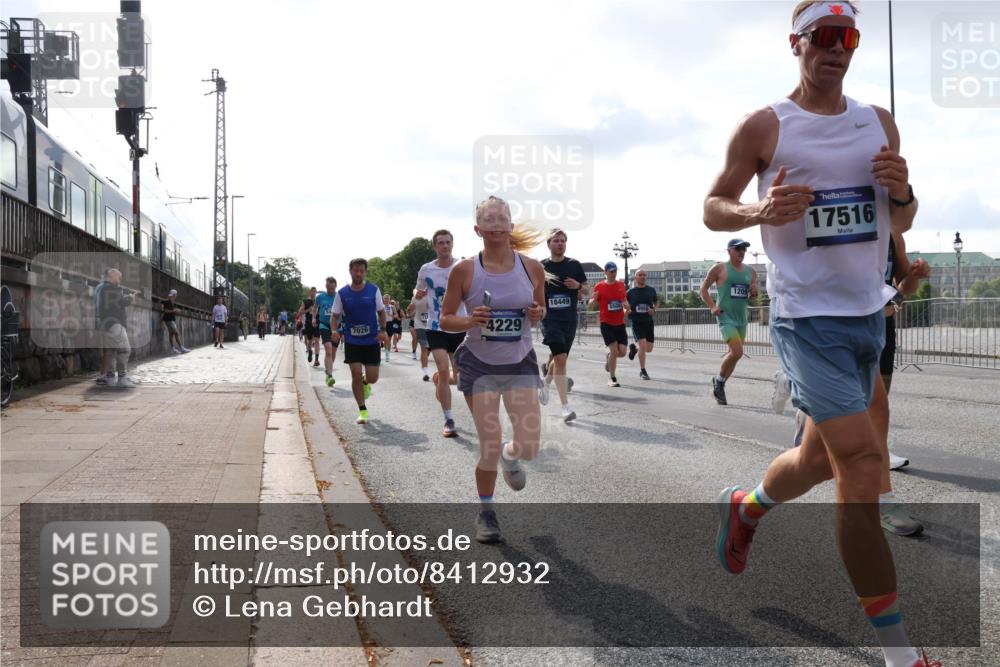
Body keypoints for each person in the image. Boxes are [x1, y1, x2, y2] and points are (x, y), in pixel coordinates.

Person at [704, 3, 935, 666]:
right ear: (795, 44)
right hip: (806, 320)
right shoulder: (766, 125)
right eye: (822, 38)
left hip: (869, 313)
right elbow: (712, 205)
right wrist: (757, 207)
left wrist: (906, 190)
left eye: (847, 38)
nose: (835, 50)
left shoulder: (876, 122)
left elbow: (900, 211)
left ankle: (746, 509)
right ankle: (902, 655)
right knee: (862, 464)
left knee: (815, 459)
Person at [439, 196, 546, 544]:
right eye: (490, 219)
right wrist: (470, 320)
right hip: (480, 365)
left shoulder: (532, 268)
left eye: (503, 218)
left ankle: (509, 455)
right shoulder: (465, 270)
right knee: (488, 443)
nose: (497, 224)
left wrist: (537, 314)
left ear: (511, 226)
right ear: (478, 229)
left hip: (520, 363)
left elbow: (539, 307)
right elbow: (445, 320)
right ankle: (486, 512)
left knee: (527, 446)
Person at [415, 229, 467, 438]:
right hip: (435, 326)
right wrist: (417, 294)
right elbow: (417, 289)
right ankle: (448, 419)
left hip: (459, 325)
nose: (445, 246)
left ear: (452, 244)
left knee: (462, 378)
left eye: (448, 242)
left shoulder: (462, 265)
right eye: (440, 243)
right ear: (435, 246)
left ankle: (439, 379)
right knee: (444, 370)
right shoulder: (426, 269)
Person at [699, 239, 759, 405]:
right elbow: (703, 289)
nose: (742, 252)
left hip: (741, 319)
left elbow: (753, 293)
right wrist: (712, 307)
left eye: (744, 249)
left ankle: (720, 383)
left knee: (735, 355)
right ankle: (719, 382)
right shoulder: (719, 268)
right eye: (738, 248)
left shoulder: (751, 272)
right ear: (729, 251)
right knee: (737, 352)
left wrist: (754, 291)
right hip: (725, 317)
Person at [539, 228, 588, 421]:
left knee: (560, 359)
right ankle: (565, 407)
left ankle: (545, 383)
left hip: (569, 319)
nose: (560, 243)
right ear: (549, 244)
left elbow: (586, 290)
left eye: (563, 241)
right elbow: (534, 290)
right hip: (550, 319)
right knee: (560, 359)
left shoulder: (574, 264)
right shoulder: (541, 266)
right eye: (556, 240)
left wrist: (578, 286)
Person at [331, 259, 387, 424]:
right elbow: (334, 316)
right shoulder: (342, 294)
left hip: (371, 340)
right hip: (352, 341)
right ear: (350, 271)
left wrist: (383, 330)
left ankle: (365, 382)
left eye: (362, 271)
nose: (359, 273)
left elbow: (382, 312)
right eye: (356, 270)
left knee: (373, 377)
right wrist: (334, 330)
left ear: (365, 272)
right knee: (355, 374)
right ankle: (362, 410)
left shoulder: (373, 290)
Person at [589, 261, 629, 387]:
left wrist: (627, 307)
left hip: (620, 323)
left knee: (622, 352)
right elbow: (591, 304)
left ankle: (608, 356)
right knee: (614, 349)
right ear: (605, 272)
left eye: (615, 271)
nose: (613, 273)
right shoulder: (599, 286)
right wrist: (593, 299)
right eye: (611, 271)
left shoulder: (621, 285)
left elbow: (624, 301)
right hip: (606, 323)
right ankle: (612, 378)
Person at [94, 268, 136, 387]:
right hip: (115, 324)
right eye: (119, 277)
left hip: (106, 324)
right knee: (124, 350)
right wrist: (130, 298)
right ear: (111, 276)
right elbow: (121, 301)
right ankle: (122, 378)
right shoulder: (111, 288)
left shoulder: (102, 288)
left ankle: (110, 377)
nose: (120, 279)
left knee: (111, 351)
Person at [626, 269, 658, 380]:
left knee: (649, 349)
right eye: (640, 275)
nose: (643, 277)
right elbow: (624, 304)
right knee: (643, 346)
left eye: (644, 275)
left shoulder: (651, 290)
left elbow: (656, 302)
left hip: (648, 321)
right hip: (636, 321)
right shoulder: (630, 292)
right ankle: (643, 371)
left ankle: (634, 348)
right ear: (635, 278)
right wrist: (626, 310)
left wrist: (654, 309)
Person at [315, 277, 340, 387]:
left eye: (332, 288)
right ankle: (330, 375)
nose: (330, 290)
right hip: (324, 325)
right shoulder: (320, 297)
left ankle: (328, 369)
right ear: (326, 286)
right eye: (329, 288)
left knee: (333, 352)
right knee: (328, 350)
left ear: (335, 287)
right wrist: (313, 318)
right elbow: (315, 307)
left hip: (337, 327)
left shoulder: (339, 297)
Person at [411, 290, 432, 381]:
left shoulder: (435, 295)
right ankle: (425, 372)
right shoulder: (417, 296)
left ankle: (424, 362)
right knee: (425, 348)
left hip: (432, 326)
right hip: (420, 325)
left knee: (429, 349)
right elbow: (410, 309)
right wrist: (409, 311)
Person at [162, 289, 189, 354]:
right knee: (176, 333)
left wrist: (175, 311)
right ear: (174, 295)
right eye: (175, 295)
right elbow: (165, 311)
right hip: (169, 320)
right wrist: (174, 310)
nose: (176, 296)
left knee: (171, 334)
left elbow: (170, 311)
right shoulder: (167, 302)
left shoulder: (172, 302)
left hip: (171, 320)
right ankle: (181, 348)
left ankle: (173, 349)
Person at [299, 287, 320, 366]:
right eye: (313, 292)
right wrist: (308, 310)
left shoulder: (318, 301)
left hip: (317, 322)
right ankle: (310, 351)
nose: (314, 293)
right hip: (308, 322)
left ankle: (316, 360)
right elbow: (300, 312)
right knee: (310, 340)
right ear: (310, 293)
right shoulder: (305, 301)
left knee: (317, 340)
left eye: (315, 292)